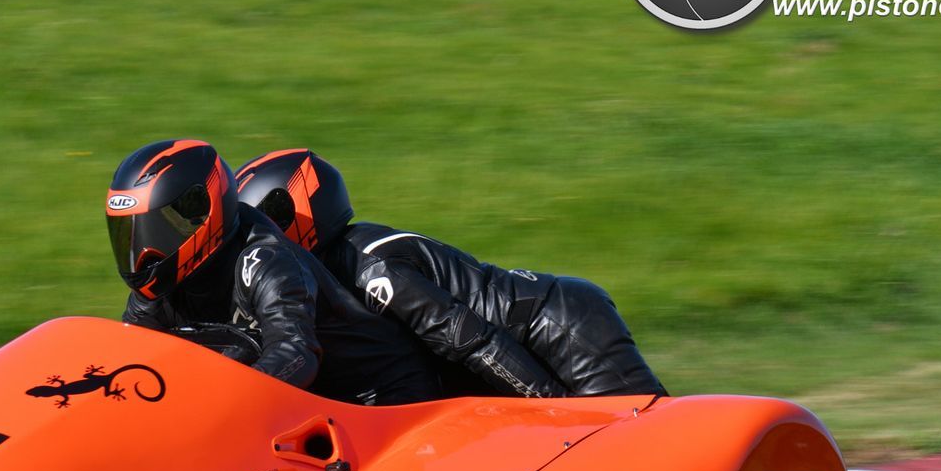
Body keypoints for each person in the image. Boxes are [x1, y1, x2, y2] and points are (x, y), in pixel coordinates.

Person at [233, 149, 667, 399]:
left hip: (559, 329)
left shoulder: (370, 269)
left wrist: (554, 415)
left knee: (646, 445)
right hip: (525, 338)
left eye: (264, 220)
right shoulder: (334, 269)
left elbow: (472, 341)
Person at [107, 139, 442, 407]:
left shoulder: (266, 260)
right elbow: (131, 355)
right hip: (317, 402)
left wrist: (221, 406)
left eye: (153, 233)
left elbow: (295, 352)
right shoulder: (158, 286)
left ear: (202, 215)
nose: (142, 253)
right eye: (128, 234)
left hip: (381, 400)